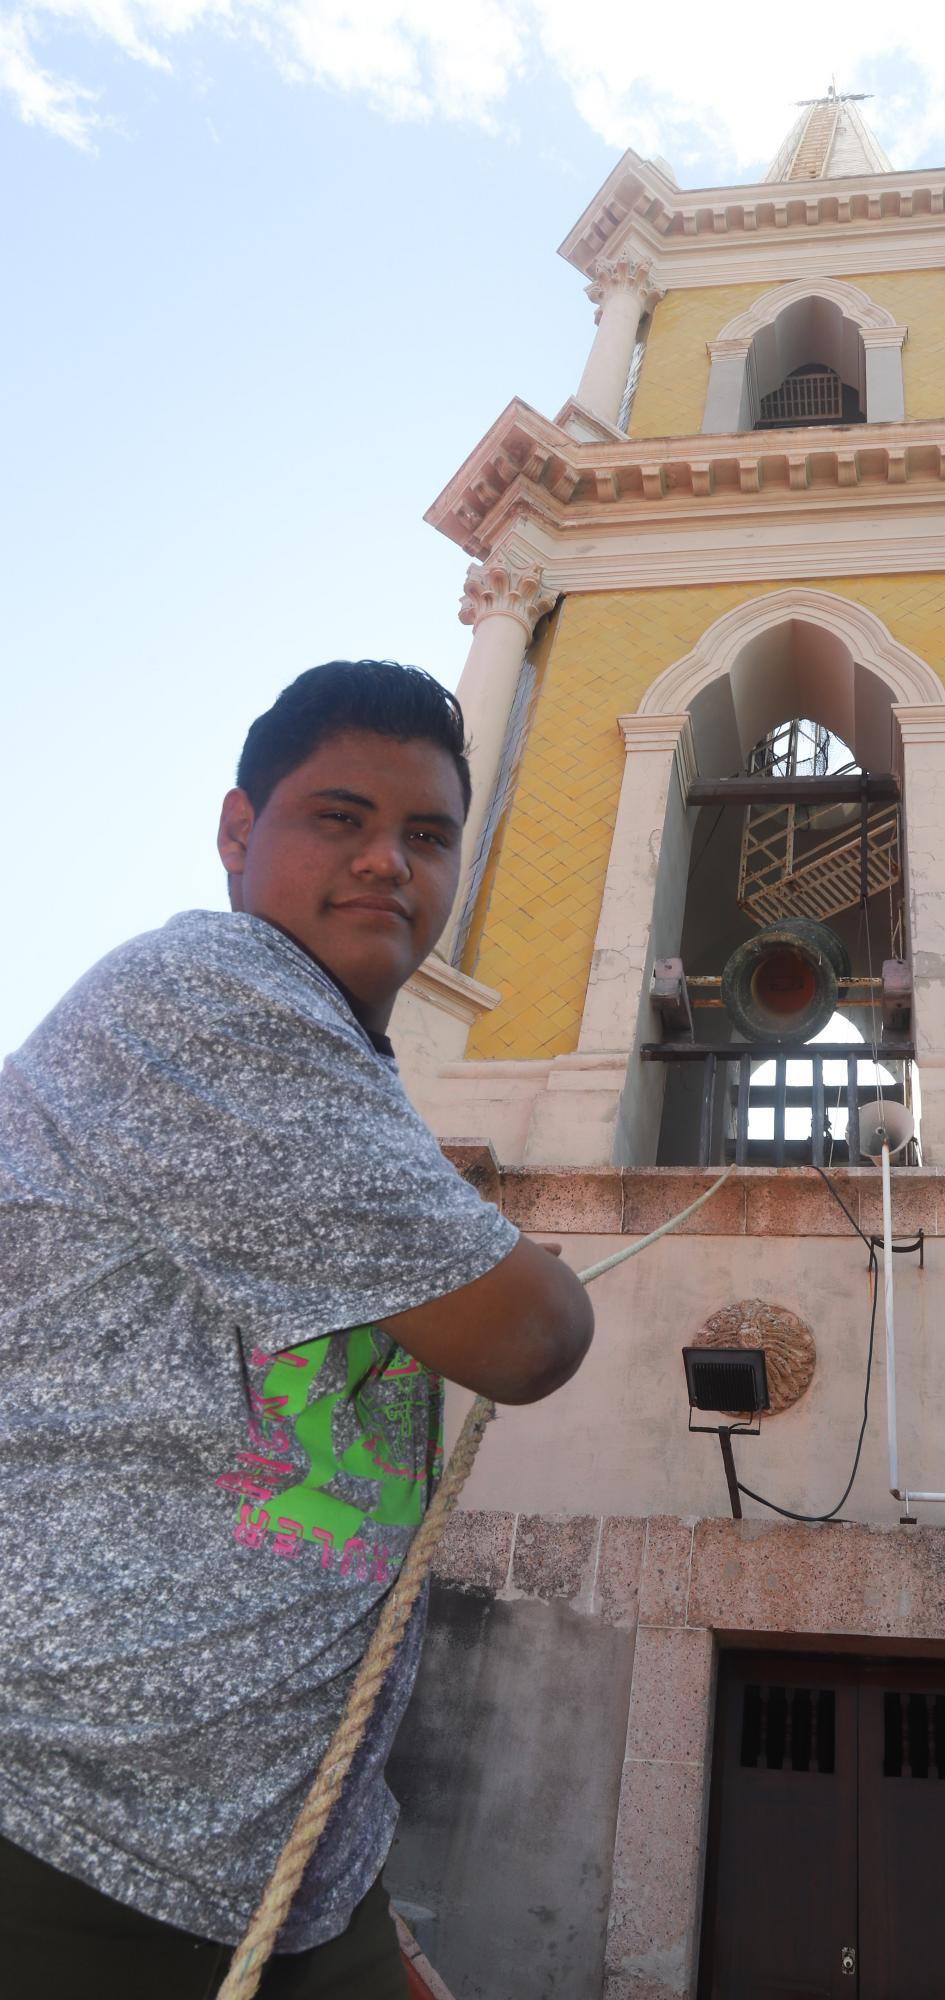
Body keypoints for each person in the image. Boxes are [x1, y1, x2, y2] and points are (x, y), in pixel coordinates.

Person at [0, 660, 594, 1997]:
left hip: (282, 1873)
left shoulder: (340, 1081)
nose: (389, 862)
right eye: (338, 817)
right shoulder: (209, 989)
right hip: (59, 1830)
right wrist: (507, 1257)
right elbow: (528, 1336)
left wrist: (366, 1912)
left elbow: (322, 1536)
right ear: (236, 834)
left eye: (428, 835)